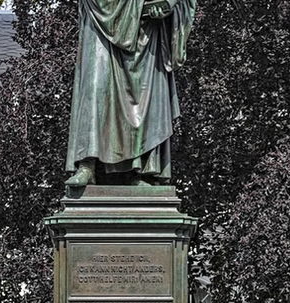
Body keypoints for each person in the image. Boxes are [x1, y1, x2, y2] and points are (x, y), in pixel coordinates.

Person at [63, 0, 195, 186]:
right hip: (100, 13)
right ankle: (87, 163)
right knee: (96, 85)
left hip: (147, 27)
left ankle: (144, 170)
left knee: (145, 93)